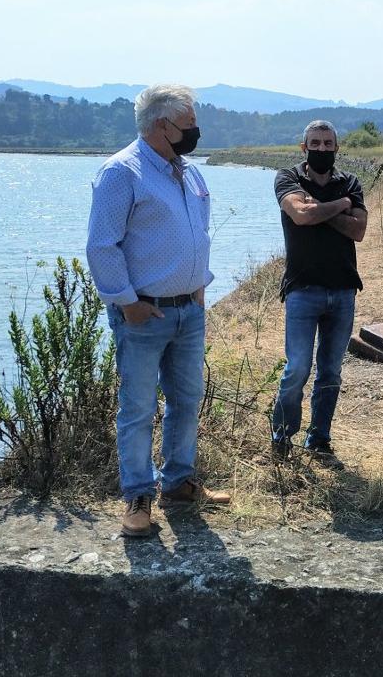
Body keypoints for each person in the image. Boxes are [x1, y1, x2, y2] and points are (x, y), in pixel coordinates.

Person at [86, 84, 231, 538]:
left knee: (186, 402)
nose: (194, 132)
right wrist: (127, 303)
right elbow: (101, 246)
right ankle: (137, 495)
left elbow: (198, 235)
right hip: (144, 314)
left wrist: (199, 288)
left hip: (189, 310)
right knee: (138, 408)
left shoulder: (187, 172)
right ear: (161, 126)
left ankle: (179, 483)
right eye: (188, 125)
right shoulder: (121, 173)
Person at [270, 120, 368, 464]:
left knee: (331, 371)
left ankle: (319, 438)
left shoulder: (350, 182)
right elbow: (299, 215)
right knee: (297, 368)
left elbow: (358, 231)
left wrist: (320, 210)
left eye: (328, 143)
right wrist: (340, 206)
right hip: (302, 289)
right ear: (304, 147)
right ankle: (282, 436)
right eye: (316, 143)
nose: (322, 149)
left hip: (343, 290)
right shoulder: (288, 178)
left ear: (337, 148)